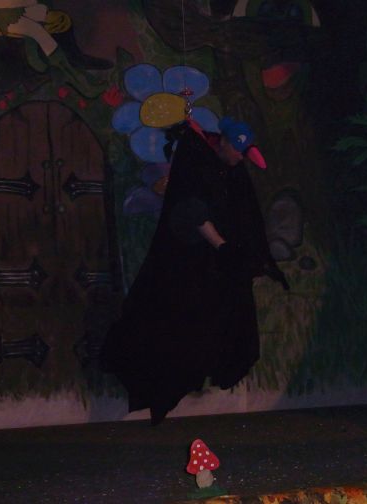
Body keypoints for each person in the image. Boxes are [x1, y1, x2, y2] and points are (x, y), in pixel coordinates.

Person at [101, 116, 288, 424]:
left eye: (242, 152)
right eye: (235, 150)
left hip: (216, 267)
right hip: (190, 264)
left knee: (220, 322)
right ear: (223, 143)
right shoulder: (198, 164)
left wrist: (241, 254)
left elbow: (240, 212)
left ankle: (208, 369)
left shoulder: (231, 170)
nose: (238, 157)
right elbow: (192, 209)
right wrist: (222, 246)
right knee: (178, 323)